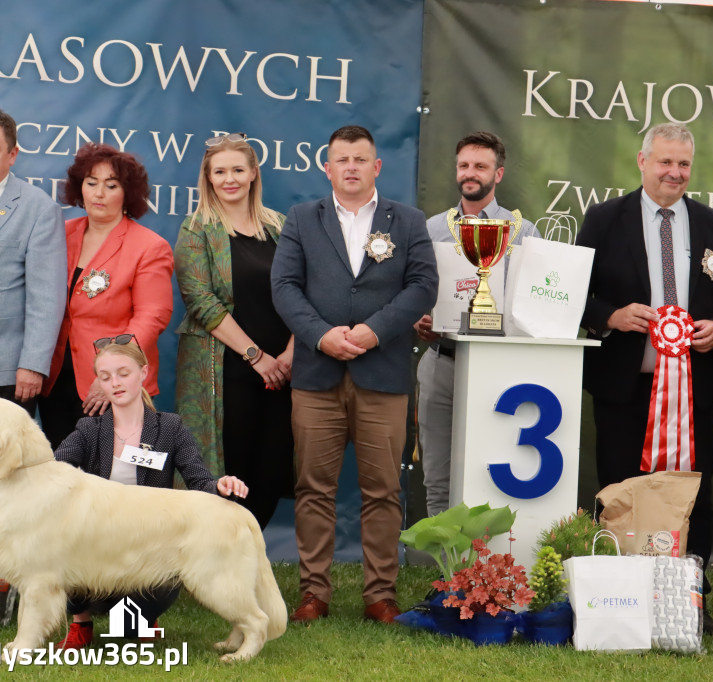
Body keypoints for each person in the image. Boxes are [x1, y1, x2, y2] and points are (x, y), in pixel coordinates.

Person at [575, 122, 713, 632]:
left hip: (692, 389)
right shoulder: (605, 219)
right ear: (642, 161)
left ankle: (692, 598)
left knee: (696, 495)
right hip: (624, 387)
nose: (674, 172)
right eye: (665, 162)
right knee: (622, 490)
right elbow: (573, 293)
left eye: (684, 164)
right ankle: (619, 599)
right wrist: (610, 315)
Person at [0, 338, 248, 648]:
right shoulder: (90, 430)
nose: (115, 383)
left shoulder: (170, 428)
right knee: (66, 537)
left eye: (123, 373)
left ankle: (140, 618)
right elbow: (48, 470)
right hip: (97, 547)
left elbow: (199, 481)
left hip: (149, 544)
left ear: (143, 372)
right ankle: (81, 623)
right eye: (105, 377)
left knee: (125, 631)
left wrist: (221, 487)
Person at [271, 125, 438, 625]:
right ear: (326, 167)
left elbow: (423, 285)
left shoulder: (406, 222)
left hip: (382, 374)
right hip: (316, 376)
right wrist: (322, 335)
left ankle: (380, 596)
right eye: (340, 159)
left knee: (383, 490)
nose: (350, 167)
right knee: (314, 488)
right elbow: (283, 287)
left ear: (376, 167)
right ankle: (313, 594)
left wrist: (372, 332)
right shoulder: (302, 219)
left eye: (360, 159)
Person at [412, 130, 539, 516]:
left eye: (480, 166)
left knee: (491, 471)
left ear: (498, 174)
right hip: (441, 361)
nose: (470, 173)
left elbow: (532, 307)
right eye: (464, 165)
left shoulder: (522, 231)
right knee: (437, 475)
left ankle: (483, 572)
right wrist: (418, 318)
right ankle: (445, 573)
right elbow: (414, 291)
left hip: (496, 367)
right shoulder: (432, 229)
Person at [175, 132, 294, 529]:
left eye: (237, 170)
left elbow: (302, 292)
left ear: (253, 173)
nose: (229, 179)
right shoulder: (197, 229)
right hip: (228, 371)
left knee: (273, 470)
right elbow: (201, 301)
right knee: (234, 470)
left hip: (283, 371)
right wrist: (257, 358)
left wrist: (288, 357)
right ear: (208, 178)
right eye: (219, 171)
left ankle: (250, 550)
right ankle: (222, 555)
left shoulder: (279, 226)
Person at [37, 143, 174, 449]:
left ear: (128, 193)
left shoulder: (149, 246)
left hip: (114, 384)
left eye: (111, 185)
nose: (99, 193)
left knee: (109, 482)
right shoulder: (59, 232)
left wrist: (110, 373)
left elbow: (153, 317)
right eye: (91, 183)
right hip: (56, 380)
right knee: (60, 474)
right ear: (79, 188)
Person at [0, 105, 66, 415]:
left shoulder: (39, 209)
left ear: (13, 154)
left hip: (3, 373)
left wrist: (33, 364)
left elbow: (46, 298)